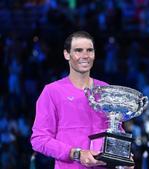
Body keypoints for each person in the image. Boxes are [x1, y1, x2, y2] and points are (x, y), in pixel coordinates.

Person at [31, 31, 133, 169]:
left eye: (89, 50)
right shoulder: (52, 91)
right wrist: (76, 154)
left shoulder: (105, 90)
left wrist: (123, 157)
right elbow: (39, 140)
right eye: (78, 50)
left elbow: (116, 129)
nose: (85, 56)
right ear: (67, 54)